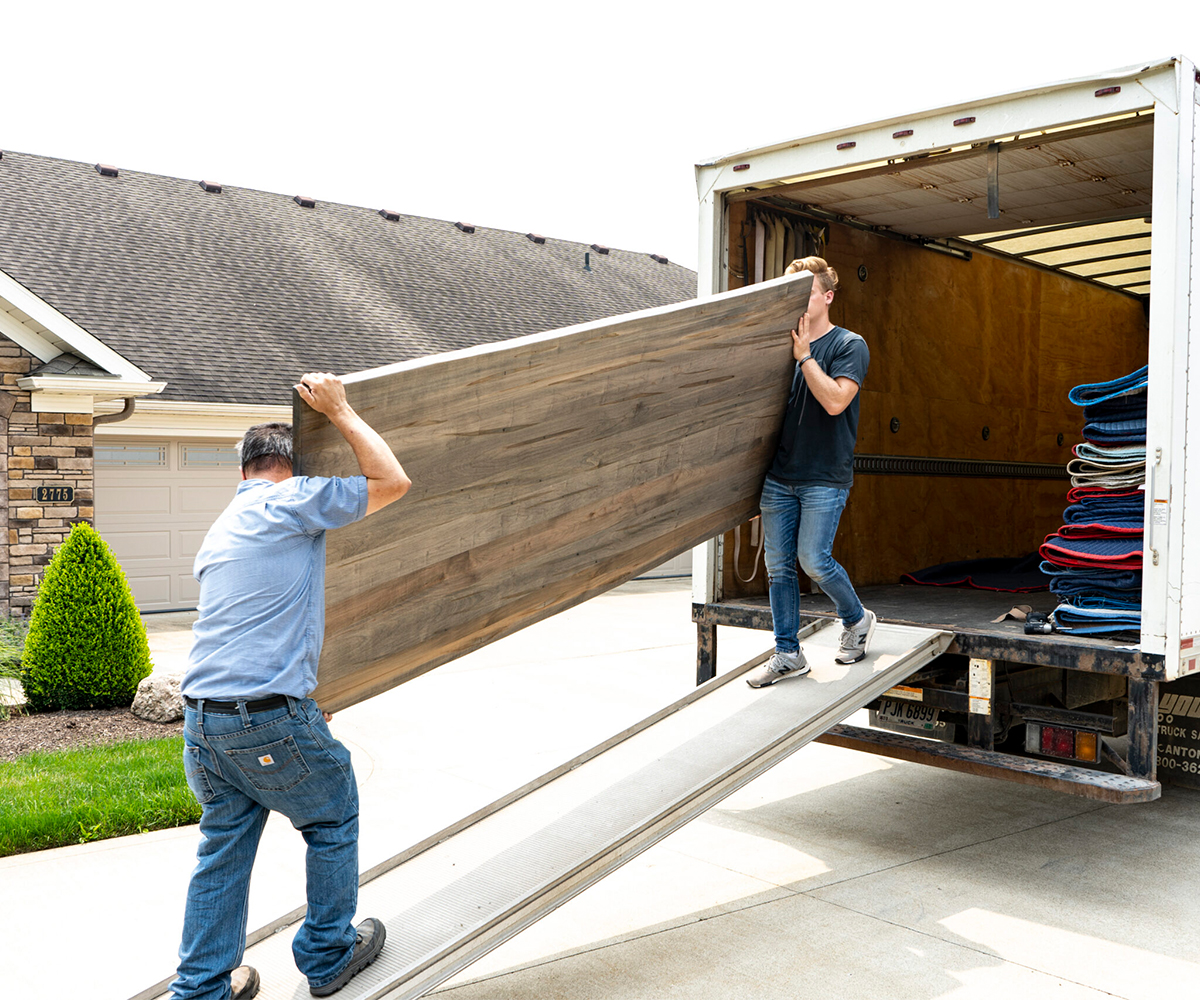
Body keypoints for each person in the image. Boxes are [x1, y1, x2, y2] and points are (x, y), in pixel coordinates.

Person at [170, 372, 411, 1000]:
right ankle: (328, 954)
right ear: (293, 468)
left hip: (203, 723)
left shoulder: (227, 522)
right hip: (261, 717)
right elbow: (392, 482)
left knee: (223, 849)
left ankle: (200, 987)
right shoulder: (289, 500)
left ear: (242, 471)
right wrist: (341, 410)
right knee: (331, 816)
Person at [746, 257, 875, 688]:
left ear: (828, 297)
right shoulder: (779, 345)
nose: (798, 298)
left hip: (824, 475)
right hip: (780, 477)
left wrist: (804, 358)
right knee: (779, 567)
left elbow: (836, 401)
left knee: (813, 560)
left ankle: (856, 619)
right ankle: (787, 653)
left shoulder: (849, 345)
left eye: (807, 291)